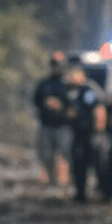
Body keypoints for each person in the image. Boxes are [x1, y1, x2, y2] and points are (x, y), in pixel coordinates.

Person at [63, 65, 107, 203]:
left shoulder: (88, 90)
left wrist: (98, 133)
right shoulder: (70, 91)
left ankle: (105, 193)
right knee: (78, 165)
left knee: (98, 164)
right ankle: (80, 194)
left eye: (73, 74)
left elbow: (99, 110)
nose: (70, 77)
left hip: (91, 134)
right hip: (78, 135)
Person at [32, 52, 72, 189]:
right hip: (46, 126)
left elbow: (74, 106)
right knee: (46, 155)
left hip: (63, 126)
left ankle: (64, 183)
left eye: (59, 65)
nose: (56, 68)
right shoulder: (44, 83)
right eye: (54, 65)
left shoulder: (68, 85)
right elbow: (36, 101)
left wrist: (61, 107)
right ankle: (50, 181)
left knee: (64, 155)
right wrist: (46, 105)